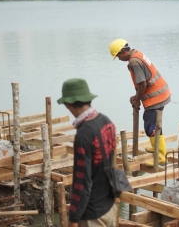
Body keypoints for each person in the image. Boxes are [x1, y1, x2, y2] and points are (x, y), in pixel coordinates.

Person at [57, 78, 117, 227]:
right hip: (109, 207)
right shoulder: (106, 121)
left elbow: (82, 182)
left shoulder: (83, 135)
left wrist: (73, 219)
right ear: (88, 99)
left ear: (68, 104)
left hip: (92, 216)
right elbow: (112, 164)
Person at [108, 39, 171, 167]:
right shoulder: (137, 54)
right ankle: (157, 148)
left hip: (156, 97)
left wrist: (137, 100)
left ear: (124, 51)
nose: (119, 59)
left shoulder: (133, 62)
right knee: (152, 123)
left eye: (119, 55)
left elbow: (143, 84)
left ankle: (160, 156)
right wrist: (136, 96)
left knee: (151, 127)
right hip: (161, 93)